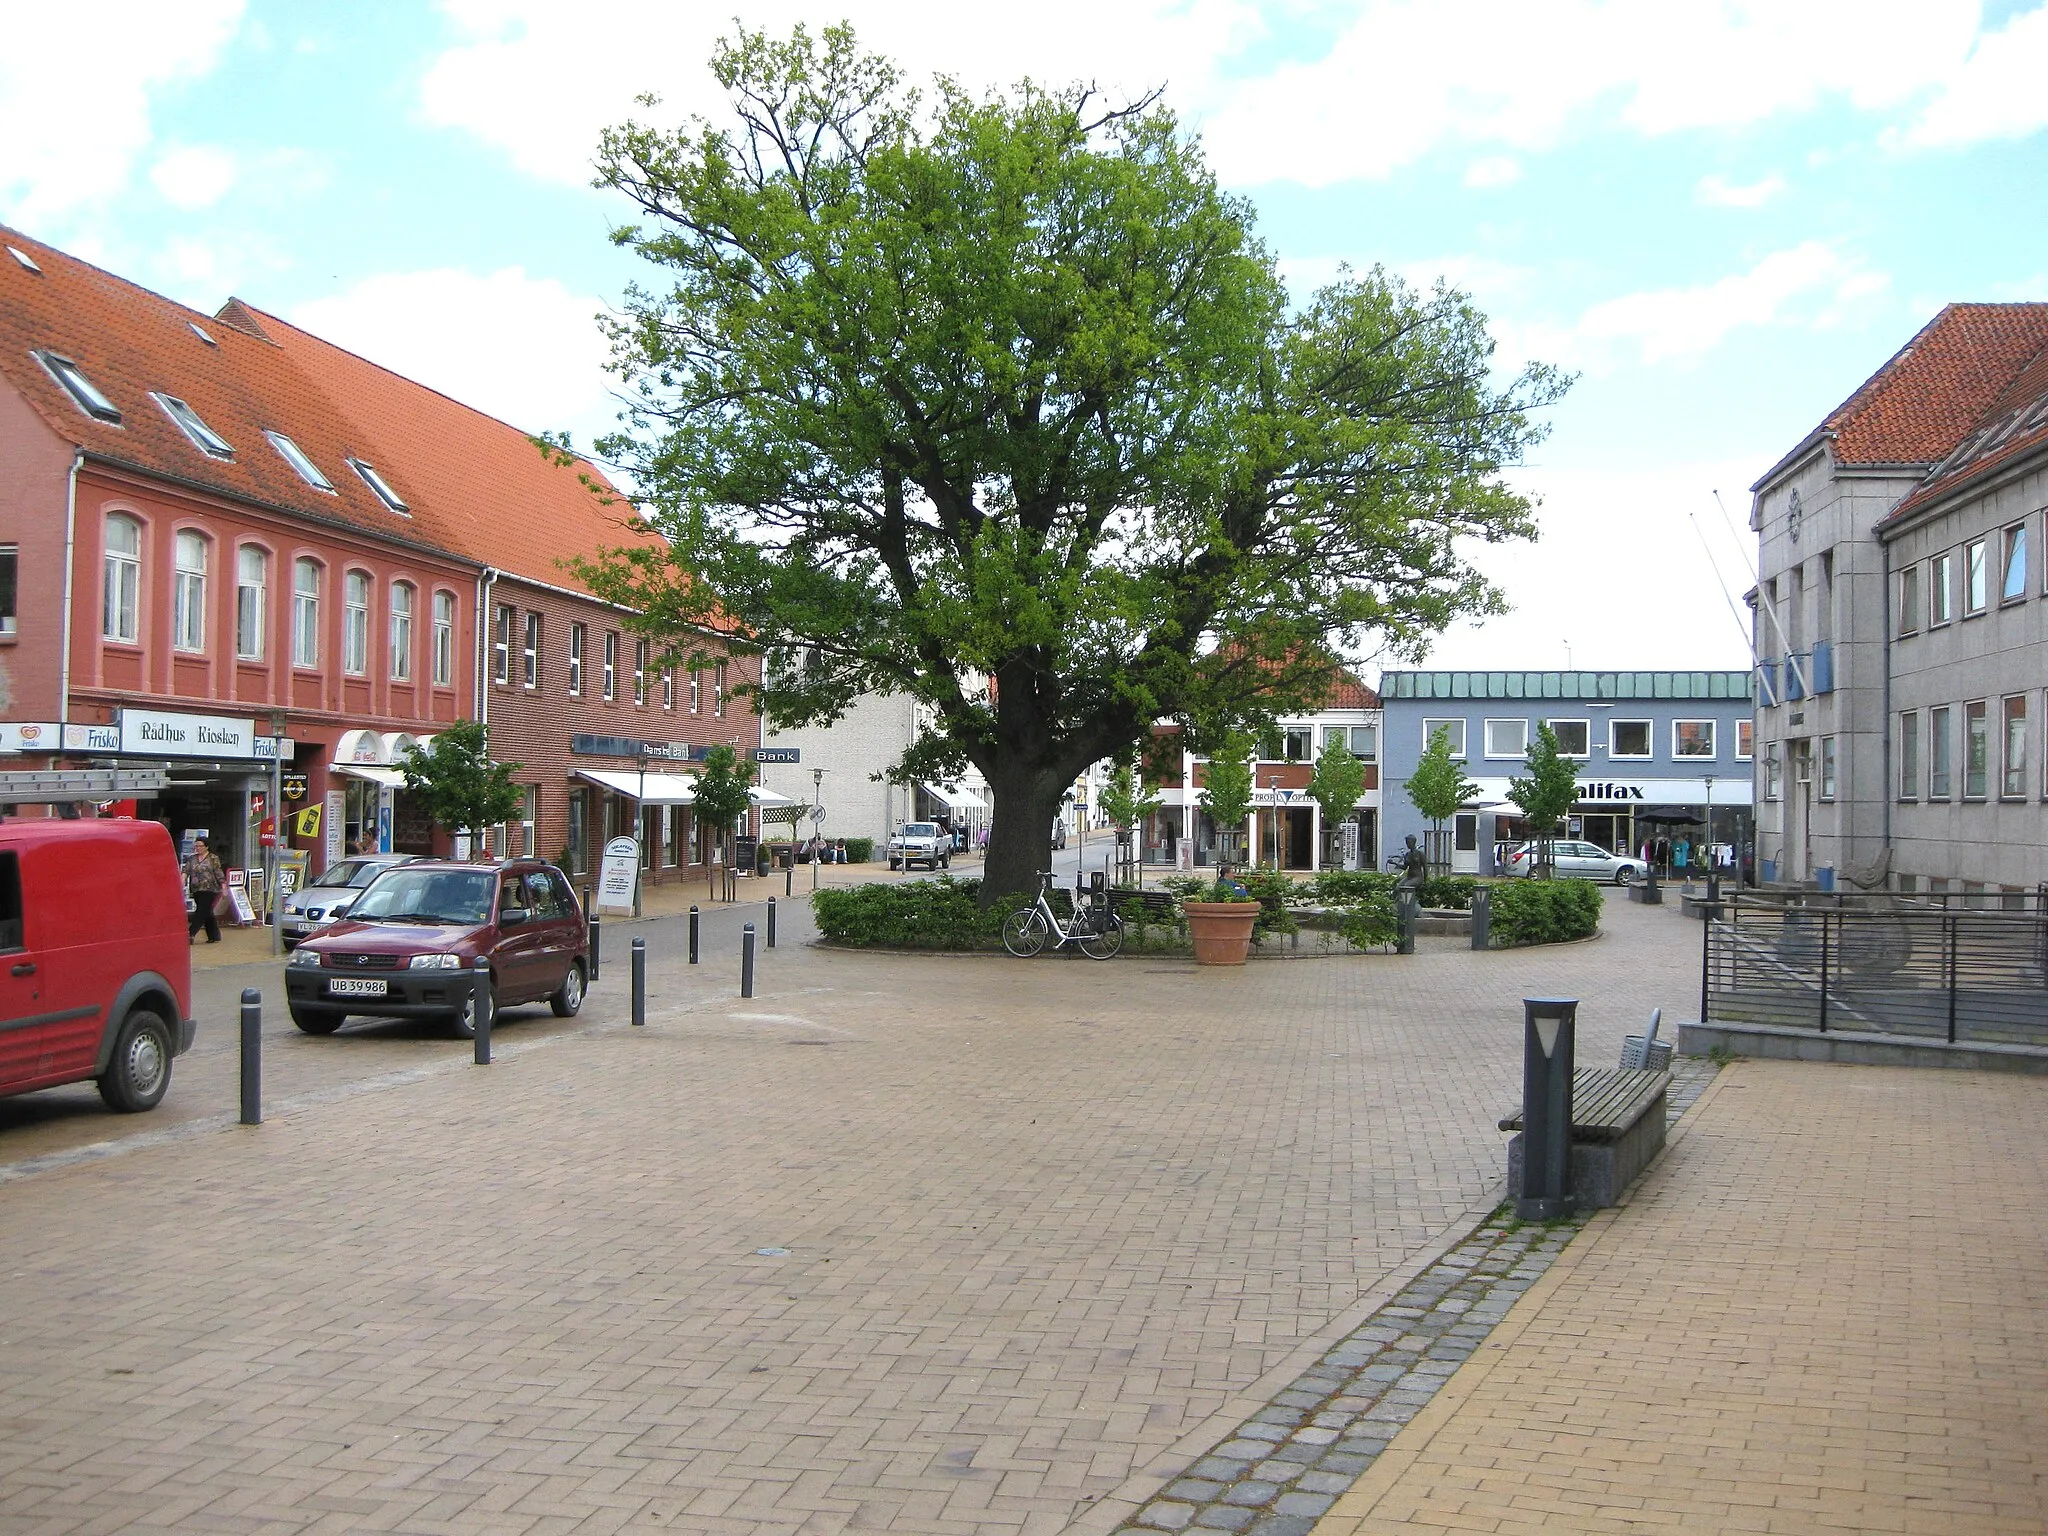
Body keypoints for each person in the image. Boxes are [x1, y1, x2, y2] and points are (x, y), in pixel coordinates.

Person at [184, 836, 225, 943]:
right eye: (196, 846)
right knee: (207, 911)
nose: (197, 848)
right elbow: (185, 871)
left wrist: (224, 886)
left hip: (210, 888)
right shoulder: (192, 859)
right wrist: (181, 883)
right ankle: (214, 936)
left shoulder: (213, 858)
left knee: (201, 910)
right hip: (197, 889)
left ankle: (191, 933)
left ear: (206, 847)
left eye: (200, 846)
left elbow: (218, 873)